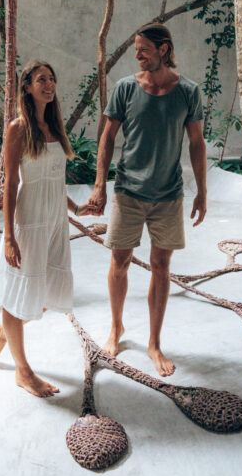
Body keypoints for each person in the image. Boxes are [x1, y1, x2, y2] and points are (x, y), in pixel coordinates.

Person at [80, 23, 207, 377]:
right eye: (136, 49)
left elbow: (197, 143)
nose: (137, 54)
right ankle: (116, 328)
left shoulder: (188, 92)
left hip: (168, 194)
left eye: (143, 49)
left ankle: (153, 342)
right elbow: (107, 138)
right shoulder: (124, 89)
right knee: (119, 262)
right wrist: (99, 186)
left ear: (163, 49)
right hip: (128, 191)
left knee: (161, 266)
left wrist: (203, 192)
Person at [0, 60, 80, 397]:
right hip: (28, 222)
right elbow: (12, 183)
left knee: (45, 295)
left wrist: (75, 208)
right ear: (27, 87)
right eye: (41, 79)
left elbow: (55, 180)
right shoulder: (17, 128)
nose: (49, 84)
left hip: (56, 221)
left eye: (52, 78)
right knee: (19, 297)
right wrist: (9, 236)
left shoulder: (55, 128)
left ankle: (3, 333)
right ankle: (23, 371)